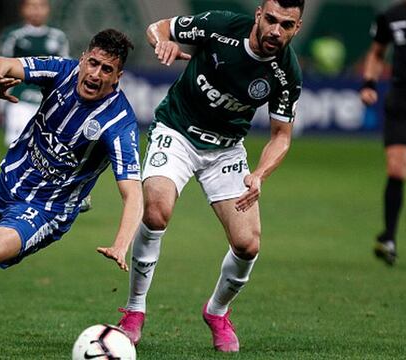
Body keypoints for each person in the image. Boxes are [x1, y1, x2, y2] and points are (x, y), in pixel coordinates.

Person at [0, 29, 142, 357]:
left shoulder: (118, 123)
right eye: (92, 63)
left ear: (118, 77)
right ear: (82, 60)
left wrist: (122, 244)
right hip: (11, 178)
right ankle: (70, 200)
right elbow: (2, 63)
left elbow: (133, 193)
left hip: (48, 206)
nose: (95, 74)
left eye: (107, 70)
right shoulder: (61, 72)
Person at [115, 0, 304, 353]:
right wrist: (163, 42)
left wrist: (260, 173)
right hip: (177, 131)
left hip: (227, 150)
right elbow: (158, 27)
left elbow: (281, 135)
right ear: (259, 14)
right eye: (272, 20)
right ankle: (134, 311)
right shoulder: (220, 26)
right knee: (156, 211)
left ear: (298, 27)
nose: (276, 32)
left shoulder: (286, 72)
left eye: (287, 26)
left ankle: (217, 312)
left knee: (248, 245)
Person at [359, 0, 406, 266]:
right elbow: (377, 53)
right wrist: (369, 82)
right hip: (403, 101)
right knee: (397, 170)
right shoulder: (390, 16)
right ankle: (388, 237)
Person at [0, 0, 69, 146]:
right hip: (19, 100)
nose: (37, 10)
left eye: (41, 6)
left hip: (48, 102)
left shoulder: (58, 37)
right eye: (32, 6)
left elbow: (66, 73)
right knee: (18, 146)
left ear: (48, 9)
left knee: (47, 150)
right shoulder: (14, 36)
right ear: (23, 9)